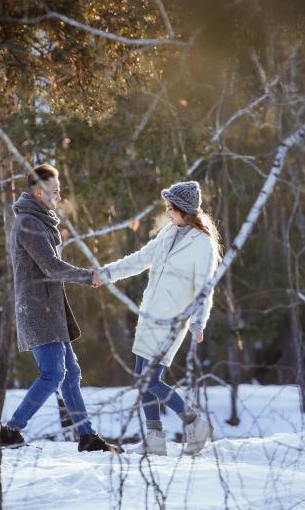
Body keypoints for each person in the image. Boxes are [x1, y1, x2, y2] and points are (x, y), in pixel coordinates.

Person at [0, 163, 120, 453]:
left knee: (71, 372)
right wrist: (87, 276)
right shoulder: (28, 223)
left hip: (51, 310)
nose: (58, 196)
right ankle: (10, 430)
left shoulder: (40, 221)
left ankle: (87, 436)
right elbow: (51, 267)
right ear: (39, 192)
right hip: (38, 310)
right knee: (53, 373)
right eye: (54, 191)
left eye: (59, 191)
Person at [101, 181, 221, 456]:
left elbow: (205, 287)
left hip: (172, 321)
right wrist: (106, 274)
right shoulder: (169, 233)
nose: (167, 213)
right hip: (149, 316)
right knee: (140, 376)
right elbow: (141, 259)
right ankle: (155, 439)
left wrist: (199, 322)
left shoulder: (202, 245)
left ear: (184, 209)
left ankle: (194, 421)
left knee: (151, 379)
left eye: (171, 208)